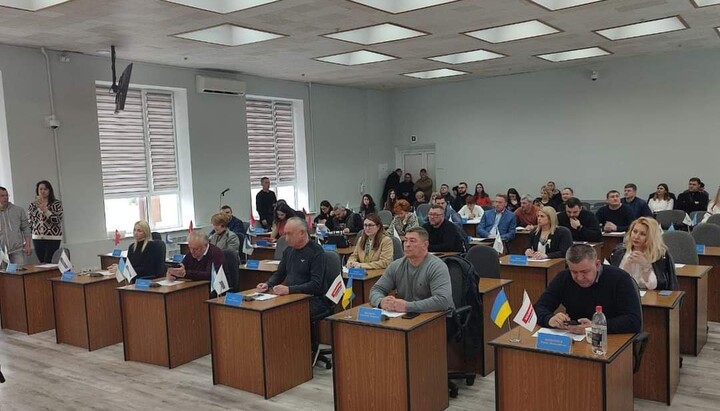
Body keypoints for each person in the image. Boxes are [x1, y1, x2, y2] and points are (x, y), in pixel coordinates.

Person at [256, 218, 333, 355]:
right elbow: (279, 273)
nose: (286, 238)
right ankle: (285, 353)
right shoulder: (289, 251)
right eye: (285, 233)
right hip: (292, 297)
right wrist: (268, 284)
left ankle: (299, 355)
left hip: (315, 299)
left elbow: (316, 285)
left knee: (288, 315)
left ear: (302, 233)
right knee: (272, 312)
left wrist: (289, 289)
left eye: (289, 234)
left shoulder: (316, 252)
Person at [534, 244, 642, 335]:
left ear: (597, 264)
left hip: (610, 339)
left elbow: (634, 321)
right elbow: (539, 308)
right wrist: (549, 319)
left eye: (585, 272)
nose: (579, 278)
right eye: (574, 272)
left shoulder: (620, 278)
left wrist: (596, 326)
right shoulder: (563, 278)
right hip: (575, 338)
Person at [369, 227, 454, 313]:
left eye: (412, 241)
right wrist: (380, 302)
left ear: (425, 245)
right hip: (407, 318)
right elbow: (376, 289)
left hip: (437, 318)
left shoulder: (437, 266)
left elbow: (443, 301)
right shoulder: (396, 265)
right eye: (405, 240)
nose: (407, 244)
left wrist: (407, 306)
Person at [609, 217, 679, 290]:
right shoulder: (619, 251)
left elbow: (657, 286)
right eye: (635, 231)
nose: (636, 237)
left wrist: (646, 267)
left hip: (651, 298)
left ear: (651, 237)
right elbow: (614, 282)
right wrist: (626, 268)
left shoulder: (660, 255)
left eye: (642, 234)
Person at [27, 180, 63, 263]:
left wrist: (45, 210)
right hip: (37, 238)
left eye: (45, 189)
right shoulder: (32, 205)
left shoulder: (56, 203)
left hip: (53, 238)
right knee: (42, 262)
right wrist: (27, 240)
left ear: (49, 191)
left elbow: (57, 220)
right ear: (37, 191)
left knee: (49, 261)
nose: (43, 191)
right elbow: (30, 222)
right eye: (41, 189)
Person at [0, 186, 31, 265]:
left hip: (17, 250)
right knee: (3, 277)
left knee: (20, 274)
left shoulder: (18, 210)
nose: (5, 198)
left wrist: (28, 244)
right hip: (1, 253)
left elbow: (26, 228)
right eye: (2, 196)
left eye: (7, 195)